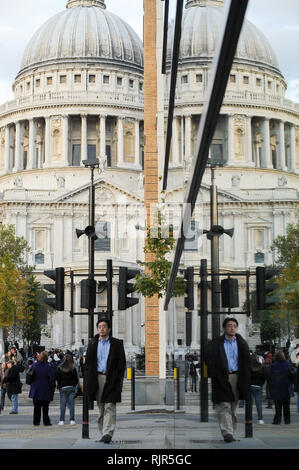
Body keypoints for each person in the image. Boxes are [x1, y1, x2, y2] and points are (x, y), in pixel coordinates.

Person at [208, 317, 251, 443]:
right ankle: (227, 432)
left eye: (234, 326)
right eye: (229, 325)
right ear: (224, 328)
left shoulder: (242, 343)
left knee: (233, 406)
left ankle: (231, 431)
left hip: (237, 377)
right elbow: (210, 359)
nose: (232, 328)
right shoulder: (216, 343)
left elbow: (246, 363)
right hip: (222, 377)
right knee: (224, 405)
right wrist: (214, 372)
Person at [85, 317, 126, 444]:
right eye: (99, 327)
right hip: (97, 379)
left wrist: (118, 377)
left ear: (109, 329)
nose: (101, 329)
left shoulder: (117, 343)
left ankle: (108, 433)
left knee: (110, 405)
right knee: (101, 407)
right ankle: (103, 432)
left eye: (104, 326)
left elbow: (121, 363)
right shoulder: (92, 343)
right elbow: (88, 364)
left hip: (111, 378)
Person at [28, 351, 56, 426]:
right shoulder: (49, 366)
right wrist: (52, 386)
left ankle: (36, 421)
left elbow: (30, 375)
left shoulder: (34, 365)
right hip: (45, 388)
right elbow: (52, 378)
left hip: (36, 388)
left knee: (36, 407)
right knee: (45, 407)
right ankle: (46, 421)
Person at [268, 350, 294, 424]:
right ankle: (287, 420)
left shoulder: (274, 365)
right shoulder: (288, 364)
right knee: (286, 406)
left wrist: (270, 386)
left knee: (278, 406)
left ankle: (277, 420)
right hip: (287, 387)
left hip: (277, 388)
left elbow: (270, 377)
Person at [56, 353, 79, 425]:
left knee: (63, 404)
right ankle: (72, 420)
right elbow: (76, 379)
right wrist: (74, 385)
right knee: (71, 404)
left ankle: (61, 420)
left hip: (63, 387)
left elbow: (57, 378)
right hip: (71, 387)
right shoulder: (73, 367)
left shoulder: (59, 367)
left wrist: (59, 385)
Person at [250, 352, 268, 424]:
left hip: (250, 386)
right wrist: (261, 383)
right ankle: (260, 419)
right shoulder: (261, 367)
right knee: (259, 404)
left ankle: (249, 418)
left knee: (249, 404)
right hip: (258, 386)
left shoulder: (248, 366)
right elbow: (264, 376)